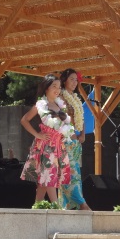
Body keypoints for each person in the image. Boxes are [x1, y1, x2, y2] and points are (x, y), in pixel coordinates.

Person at [20, 74, 73, 204]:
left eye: (59, 87)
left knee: (44, 180)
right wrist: (37, 135)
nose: (57, 89)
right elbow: (24, 120)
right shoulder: (41, 104)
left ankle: (37, 206)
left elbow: (64, 125)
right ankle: (56, 206)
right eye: (54, 86)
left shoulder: (60, 105)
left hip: (58, 145)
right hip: (46, 145)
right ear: (46, 88)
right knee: (49, 174)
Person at [59, 68, 90, 210]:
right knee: (69, 173)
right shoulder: (60, 97)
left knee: (76, 173)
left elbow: (81, 117)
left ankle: (68, 206)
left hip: (75, 142)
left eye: (76, 80)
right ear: (64, 80)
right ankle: (82, 203)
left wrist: (82, 134)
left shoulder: (76, 98)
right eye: (71, 79)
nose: (74, 82)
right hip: (64, 140)